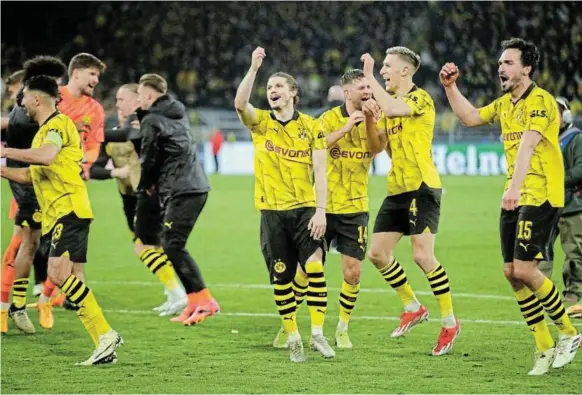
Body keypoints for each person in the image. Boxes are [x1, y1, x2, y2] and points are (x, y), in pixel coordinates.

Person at [440, 37, 580, 374]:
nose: (501, 67)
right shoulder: (505, 104)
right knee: (511, 274)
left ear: (527, 68)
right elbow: (471, 117)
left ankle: (569, 333)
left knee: (526, 270)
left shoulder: (541, 102)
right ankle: (544, 345)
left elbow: (529, 146)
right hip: (515, 195)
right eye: (500, 62)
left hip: (540, 194)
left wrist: (514, 188)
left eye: (508, 62)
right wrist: (450, 87)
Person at [1, 75, 123, 365]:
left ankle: (106, 334)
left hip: (67, 209)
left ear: (37, 99)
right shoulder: (45, 132)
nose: (22, 103)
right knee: (69, 276)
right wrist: (3, 169)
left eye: (25, 97)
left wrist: (5, 151)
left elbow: (45, 157)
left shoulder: (56, 125)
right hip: (63, 211)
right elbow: (32, 175)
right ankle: (103, 340)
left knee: (57, 273)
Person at [234, 46, 333, 362]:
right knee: (282, 278)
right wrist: (253, 69)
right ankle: (293, 338)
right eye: (269, 87)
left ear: (293, 93)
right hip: (272, 211)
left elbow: (320, 170)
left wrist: (321, 211)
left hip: (305, 209)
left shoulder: (313, 126)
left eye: (278, 86)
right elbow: (239, 103)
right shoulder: (261, 123)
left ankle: (317, 333)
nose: (271, 91)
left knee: (315, 266)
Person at [360, 47, 460, 356]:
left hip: (422, 187)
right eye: (381, 68)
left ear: (406, 71)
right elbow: (378, 147)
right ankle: (413, 306)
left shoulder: (420, 99)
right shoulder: (392, 106)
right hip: (398, 189)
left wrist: (367, 78)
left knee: (422, 256)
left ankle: (449, 322)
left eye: (387, 67)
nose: (382, 72)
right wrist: (368, 119)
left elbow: (392, 110)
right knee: (377, 253)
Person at [90, 83, 185, 315]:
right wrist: (115, 172)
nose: (118, 104)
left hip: (150, 193)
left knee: (143, 247)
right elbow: (94, 169)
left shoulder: (144, 126)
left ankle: (177, 293)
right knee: (152, 246)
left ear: (137, 100)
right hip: (128, 196)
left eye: (122, 99)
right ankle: (172, 293)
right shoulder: (114, 134)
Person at [134, 73, 218, 325]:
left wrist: (143, 187)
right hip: (192, 185)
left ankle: (206, 301)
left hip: (183, 188)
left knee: (172, 245)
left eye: (140, 95)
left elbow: (148, 157)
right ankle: (195, 302)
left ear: (149, 95)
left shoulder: (152, 120)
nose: (139, 100)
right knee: (171, 244)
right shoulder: (176, 114)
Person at [1, 56, 67, 335]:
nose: (59, 88)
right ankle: (17, 304)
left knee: (29, 242)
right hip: (31, 183)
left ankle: (16, 303)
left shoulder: (21, 105)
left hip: (27, 180)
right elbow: (45, 152)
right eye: (57, 82)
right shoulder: (34, 111)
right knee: (33, 243)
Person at [537, 97, 582, 304]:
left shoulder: (576, 139)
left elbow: (580, 170)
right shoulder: (545, 139)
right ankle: (543, 293)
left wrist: (554, 178)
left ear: (565, 115)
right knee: (540, 252)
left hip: (571, 205)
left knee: (574, 253)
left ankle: (574, 294)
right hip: (546, 204)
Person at [58, 53, 106, 179]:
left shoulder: (96, 109)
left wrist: (81, 164)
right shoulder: (52, 98)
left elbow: (94, 149)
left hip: (71, 177)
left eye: (97, 76)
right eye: (92, 74)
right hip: (42, 174)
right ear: (76, 73)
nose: (96, 80)